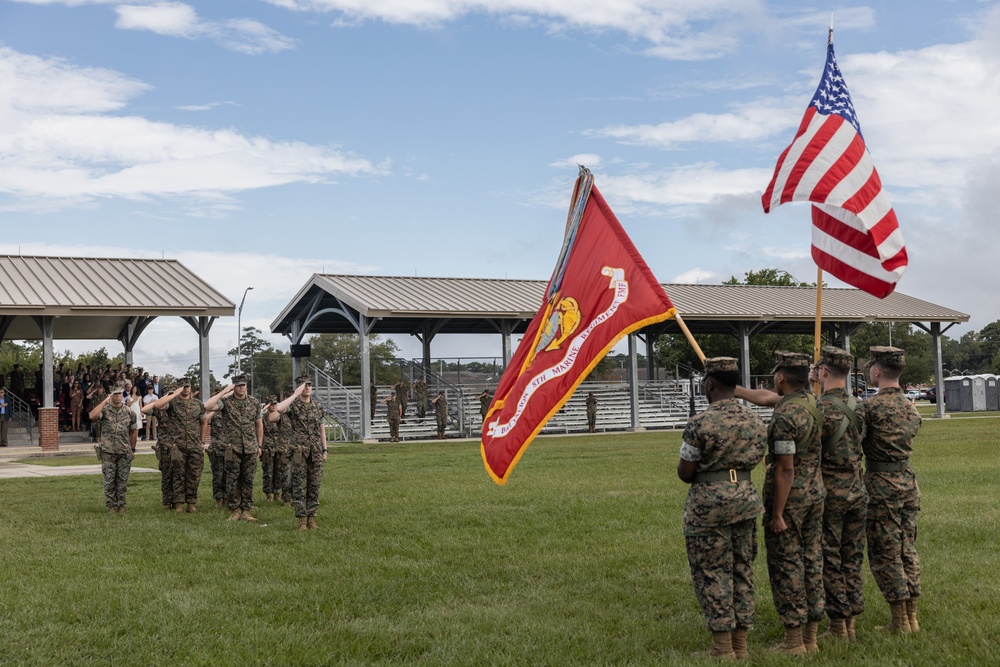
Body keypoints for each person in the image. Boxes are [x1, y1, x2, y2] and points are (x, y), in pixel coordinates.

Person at [677, 357, 767, 660]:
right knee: (742, 569)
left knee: (712, 572)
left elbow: (685, 473)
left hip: (708, 506)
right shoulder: (755, 422)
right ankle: (741, 645)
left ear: (709, 385)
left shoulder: (699, 423)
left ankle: (722, 648)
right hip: (745, 499)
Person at [738, 351, 825, 654]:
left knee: (787, 567)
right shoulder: (813, 402)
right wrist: (735, 388)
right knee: (812, 562)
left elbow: (786, 468)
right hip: (816, 493)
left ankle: (793, 641)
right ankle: (811, 637)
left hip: (792, 500)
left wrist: (777, 513)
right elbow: (764, 397)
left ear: (780, 376)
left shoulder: (785, 416)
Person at [862, 346, 923, 633]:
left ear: (876, 371)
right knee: (907, 548)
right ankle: (912, 617)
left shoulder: (870, 408)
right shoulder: (910, 406)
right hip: (908, 482)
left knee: (885, 552)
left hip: (881, 485)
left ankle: (899, 621)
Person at [814, 346, 867, 642]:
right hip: (857, 488)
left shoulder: (819, 408)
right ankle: (852, 623)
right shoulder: (860, 406)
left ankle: (838, 625)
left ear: (823, 372)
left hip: (830, 489)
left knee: (829, 557)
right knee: (852, 556)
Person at [271, 375, 327, 531]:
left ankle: (312, 518)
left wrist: (325, 449)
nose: (307, 388)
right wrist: (295, 394)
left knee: (314, 485)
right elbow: (279, 409)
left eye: (309, 385)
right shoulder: (293, 406)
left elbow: (321, 430)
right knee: (299, 486)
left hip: (315, 451)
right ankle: (302, 520)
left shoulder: (317, 406)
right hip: (299, 452)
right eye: (304, 385)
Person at [204, 376, 263, 522]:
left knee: (248, 480)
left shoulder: (254, 402)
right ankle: (234, 510)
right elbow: (208, 406)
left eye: (243, 385)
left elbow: (259, 424)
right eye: (238, 385)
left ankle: (246, 511)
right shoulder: (226, 402)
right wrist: (225, 391)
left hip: (250, 447)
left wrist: (259, 445)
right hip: (232, 448)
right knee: (232, 480)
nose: (241, 388)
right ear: (234, 387)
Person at [150, 378, 206, 514]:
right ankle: (179, 503)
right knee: (178, 475)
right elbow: (157, 406)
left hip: (194, 445)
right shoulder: (172, 403)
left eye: (188, 386)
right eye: (183, 387)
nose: (186, 389)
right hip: (178, 446)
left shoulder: (198, 404)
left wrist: (202, 441)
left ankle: (191, 503)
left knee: (194, 475)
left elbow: (203, 421)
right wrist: (174, 394)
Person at [89, 384, 137, 513]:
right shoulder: (105, 410)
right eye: (115, 394)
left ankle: (121, 505)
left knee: (122, 480)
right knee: (109, 480)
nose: (118, 396)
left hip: (124, 451)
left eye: (120, 394)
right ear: (111, 396)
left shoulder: (129, 412)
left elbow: (133, 431)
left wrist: (133, 449)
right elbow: (92, 416)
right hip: (108, 452)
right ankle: (111, 506)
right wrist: (104, 401)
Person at [143, 384, 176, 510]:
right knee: (167, 475)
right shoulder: (159, 409)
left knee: (179, 474)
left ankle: (178, 501)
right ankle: (167, 502)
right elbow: (145, 410)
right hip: (164, 446)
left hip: (178, 446)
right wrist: (157, 403)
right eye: (169, 395)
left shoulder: (180, 409)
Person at [262, 396, 292, 505]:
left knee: (279, 472)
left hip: (279, 447)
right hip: (267, 448)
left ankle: (277, 493)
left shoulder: (281, 416)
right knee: (268, 472)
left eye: (275, 403)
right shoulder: (264, 417)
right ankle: (268, 494)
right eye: (271, 404)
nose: (273, 405)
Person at [205, 411, 227, 508]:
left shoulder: (230, 412)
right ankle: (218, 499)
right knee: (218, 475)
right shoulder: (214, 413)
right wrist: (213, 411)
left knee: (229, 475)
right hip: (216, 448)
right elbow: (204, 420)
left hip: (228, 448)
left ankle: (226, 499)